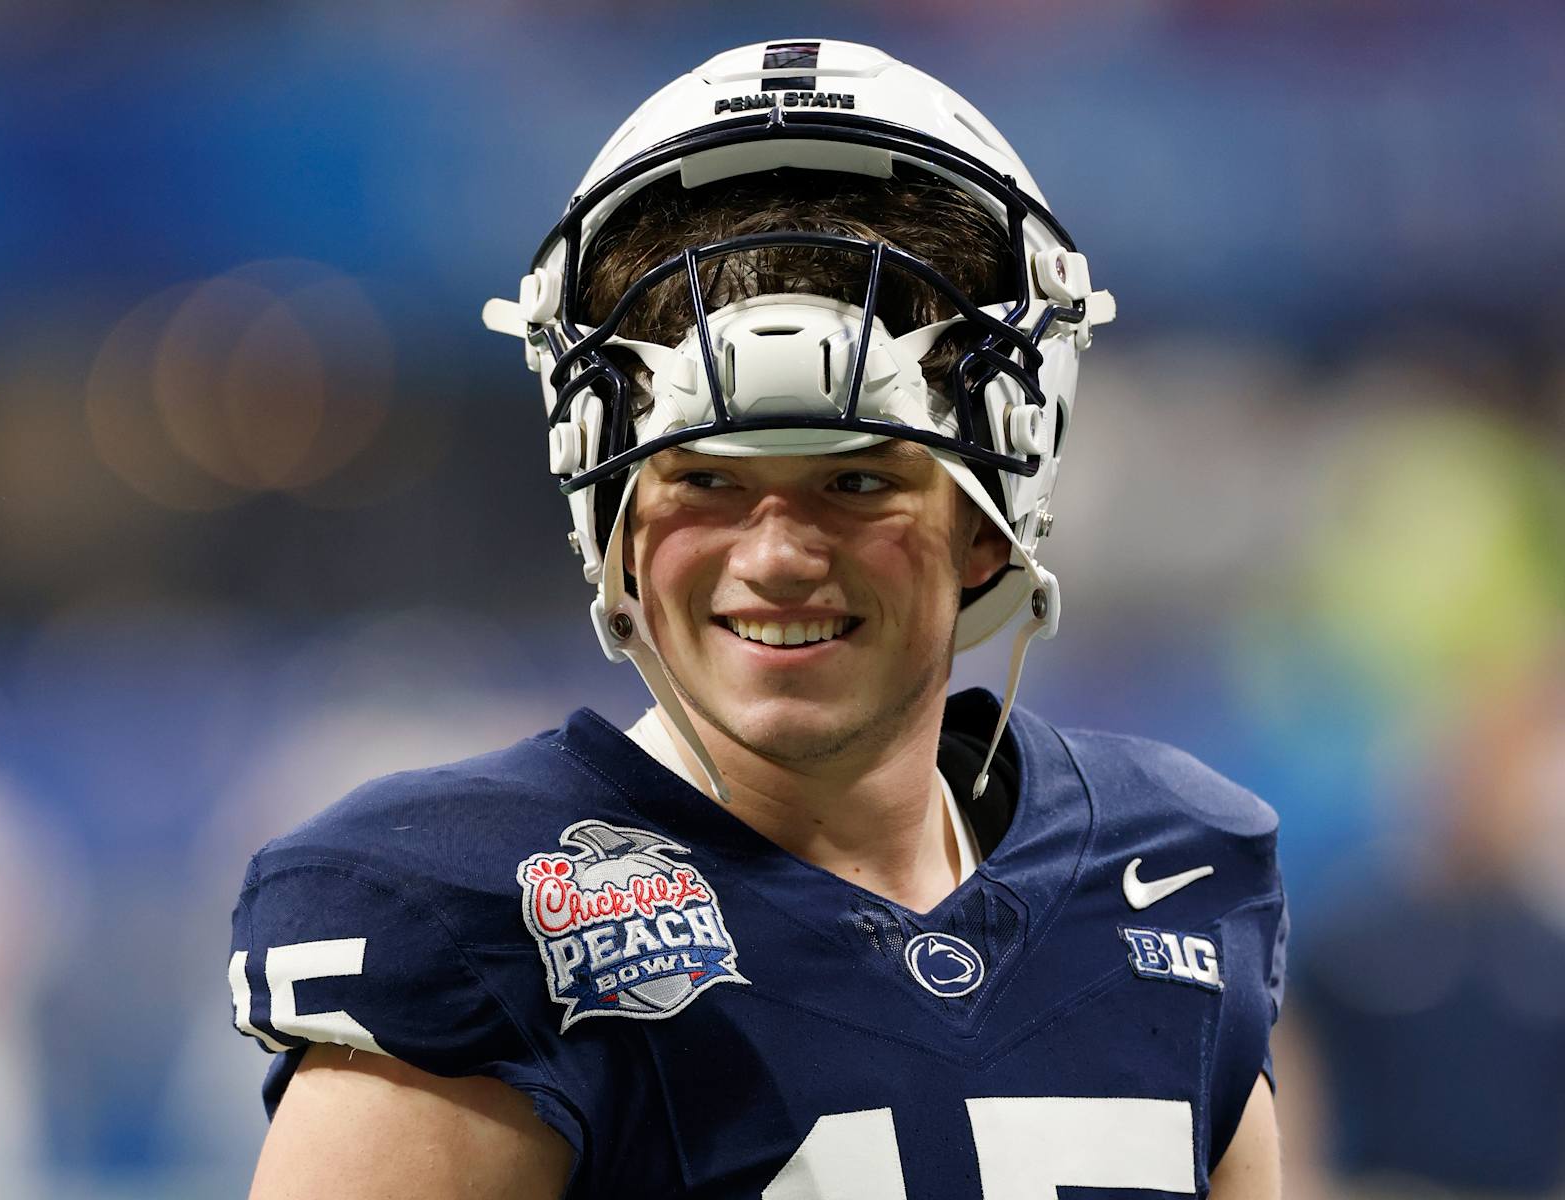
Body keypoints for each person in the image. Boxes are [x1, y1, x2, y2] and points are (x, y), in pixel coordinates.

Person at [228, 40, 1287, 1199]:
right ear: (614, 516)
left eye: (859, 482)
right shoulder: (473, 913)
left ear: (993, 518)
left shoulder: (1170, 872)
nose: (778, 556)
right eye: (708, 481)